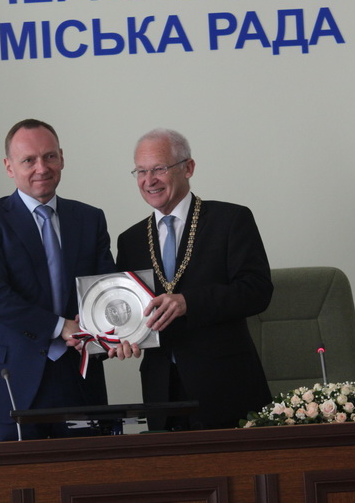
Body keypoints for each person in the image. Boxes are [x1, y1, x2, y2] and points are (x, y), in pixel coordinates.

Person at [0, 118, 116, 441]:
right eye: (28, 160)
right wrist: (61, 326)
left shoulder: (90, 219)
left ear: (62, 158)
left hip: (78, 378)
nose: (41, 168)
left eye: (49, 156)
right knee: (17, 475)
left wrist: (116, 330)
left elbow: (106, 290)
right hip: (11, 380)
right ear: (9, 167)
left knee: (86, 472)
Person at [116, 128, 273, 431]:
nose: (149, 180)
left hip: (226, 387)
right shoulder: (130, 240)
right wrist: (115, 337)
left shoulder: (230, 220)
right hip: (162, 393)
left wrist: (189, 302)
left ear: (188, 168)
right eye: (141, 171)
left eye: (159, 169)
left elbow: (257, 291)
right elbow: (127, 310)